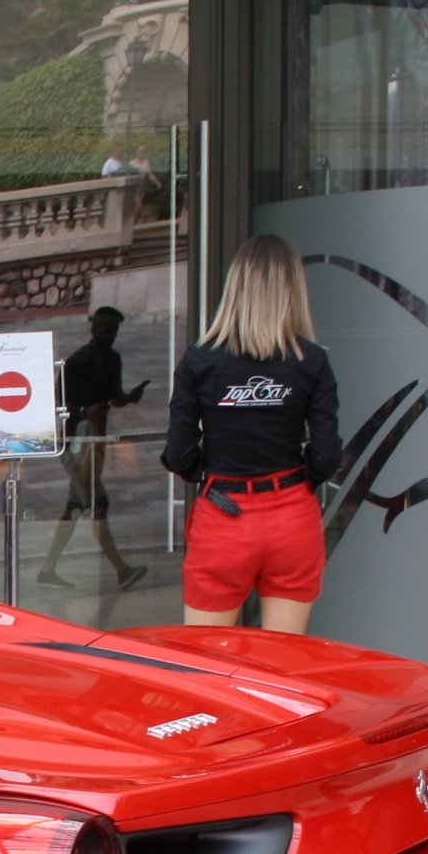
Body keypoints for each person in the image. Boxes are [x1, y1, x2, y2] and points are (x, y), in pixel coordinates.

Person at [162, 233, 340, 634]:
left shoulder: (199, 360)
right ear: (293, 288)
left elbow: (178, 453)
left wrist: (207, 474)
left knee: (208, 663)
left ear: (235, 287)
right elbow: (327, 455)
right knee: (282, 667)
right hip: (292, 512)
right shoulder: (311, 361)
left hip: (224, 512)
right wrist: (296, 481)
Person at [38, 306, 149, 591]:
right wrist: (86, 411)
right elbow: (55, 402)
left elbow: (116, 397)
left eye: (115, 332)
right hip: (75, 442)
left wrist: (130, 397)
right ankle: (122, 570)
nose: (112, 336)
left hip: (95, 441)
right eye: (107, 330)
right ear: (94, 329)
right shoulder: (76, 362)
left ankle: (47, 569)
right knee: (97, 503)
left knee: (75, 507)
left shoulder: (113, 360)